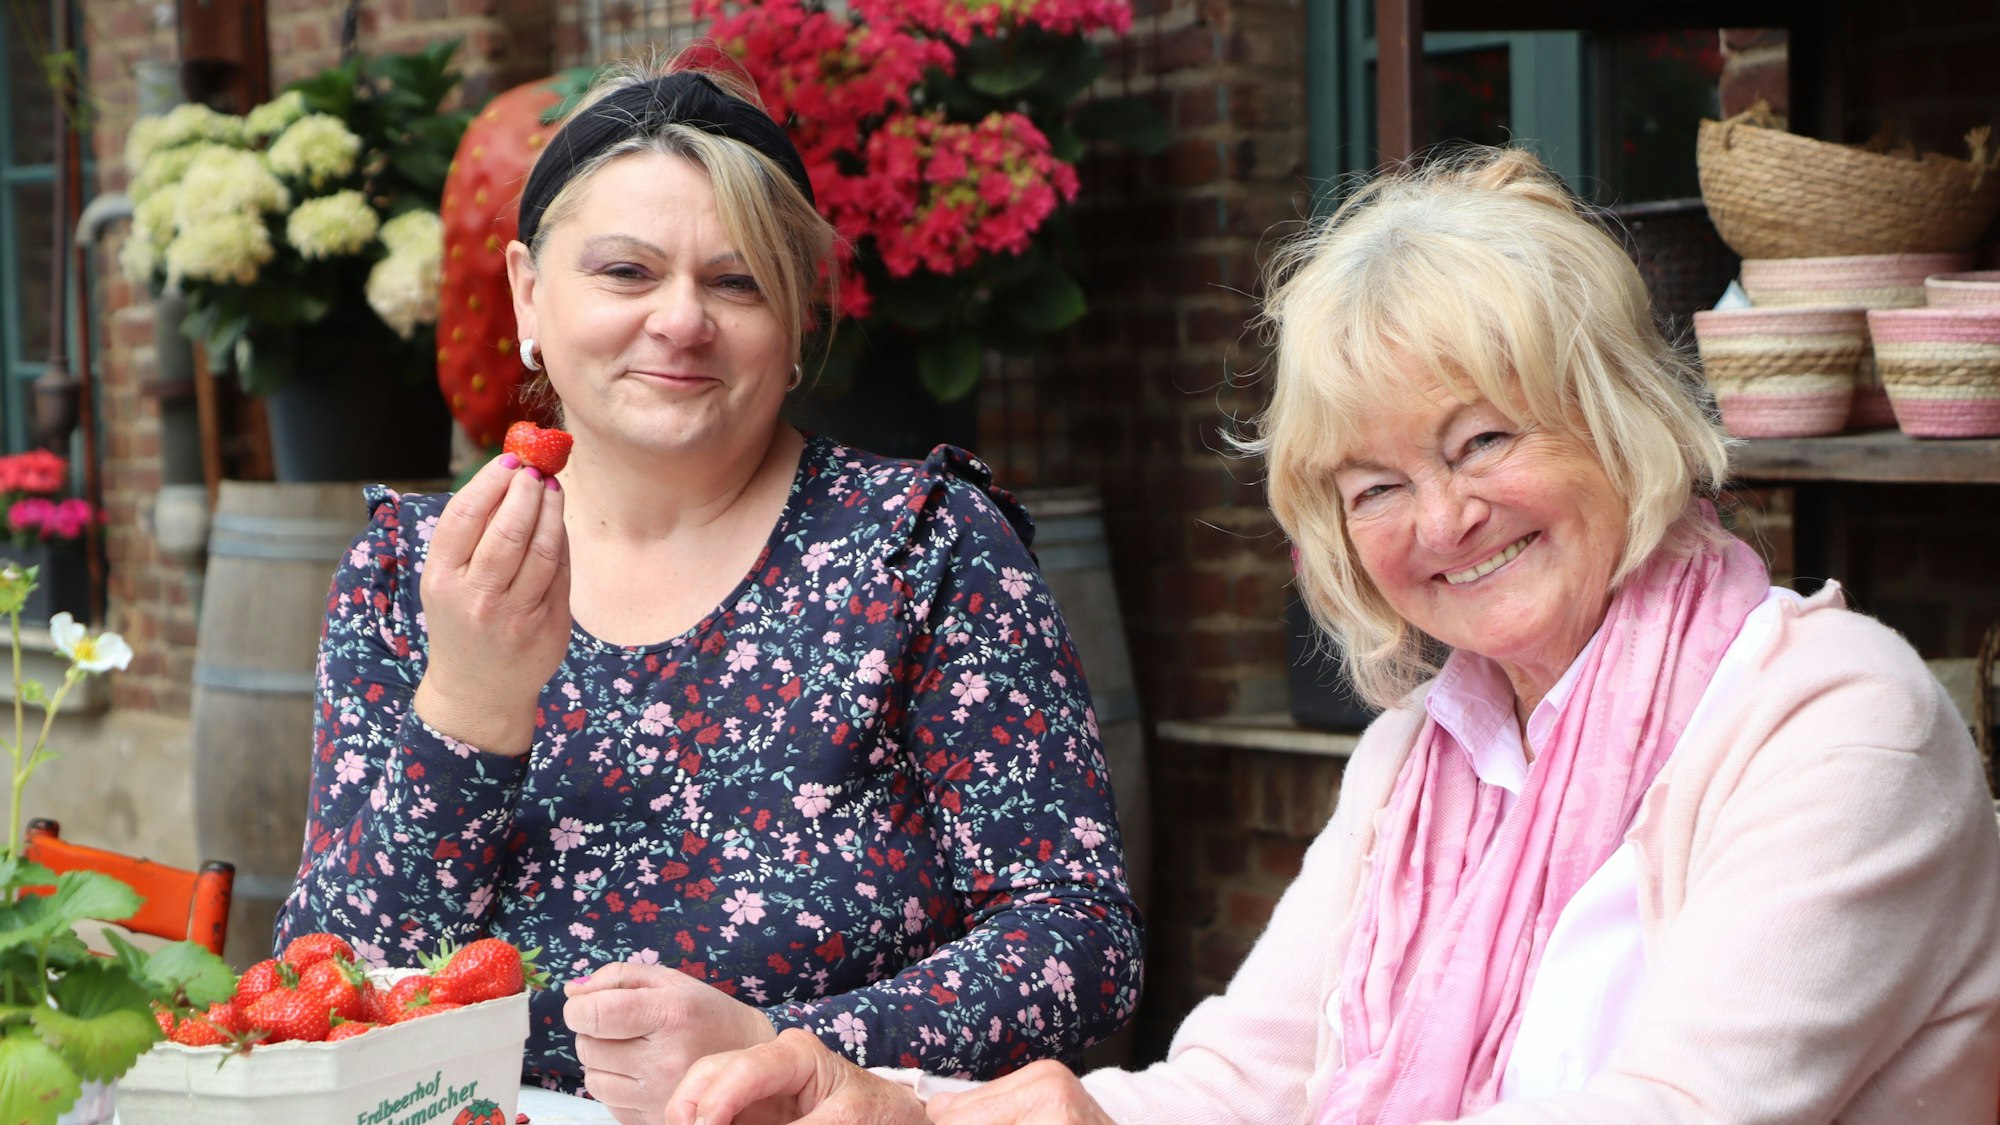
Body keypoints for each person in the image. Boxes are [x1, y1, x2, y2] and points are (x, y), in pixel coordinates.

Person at [661, 146, 2000, 1125]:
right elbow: (1251, 1079)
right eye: (1375, 485)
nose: (1446, 517)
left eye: (1484, 439)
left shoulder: (1834, 721)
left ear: (1618, 419)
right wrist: (920, 1110)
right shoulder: (1429, 750)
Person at [273, 57, 1143, 1111]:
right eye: (626, 273)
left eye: (736, 283)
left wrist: (779, 1046)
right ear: (527, 295)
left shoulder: (921, 549)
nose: (682, 321)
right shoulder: (412, 571)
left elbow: (1075, 937)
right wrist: (471, 704)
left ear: (796, 324)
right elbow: (328, 987)